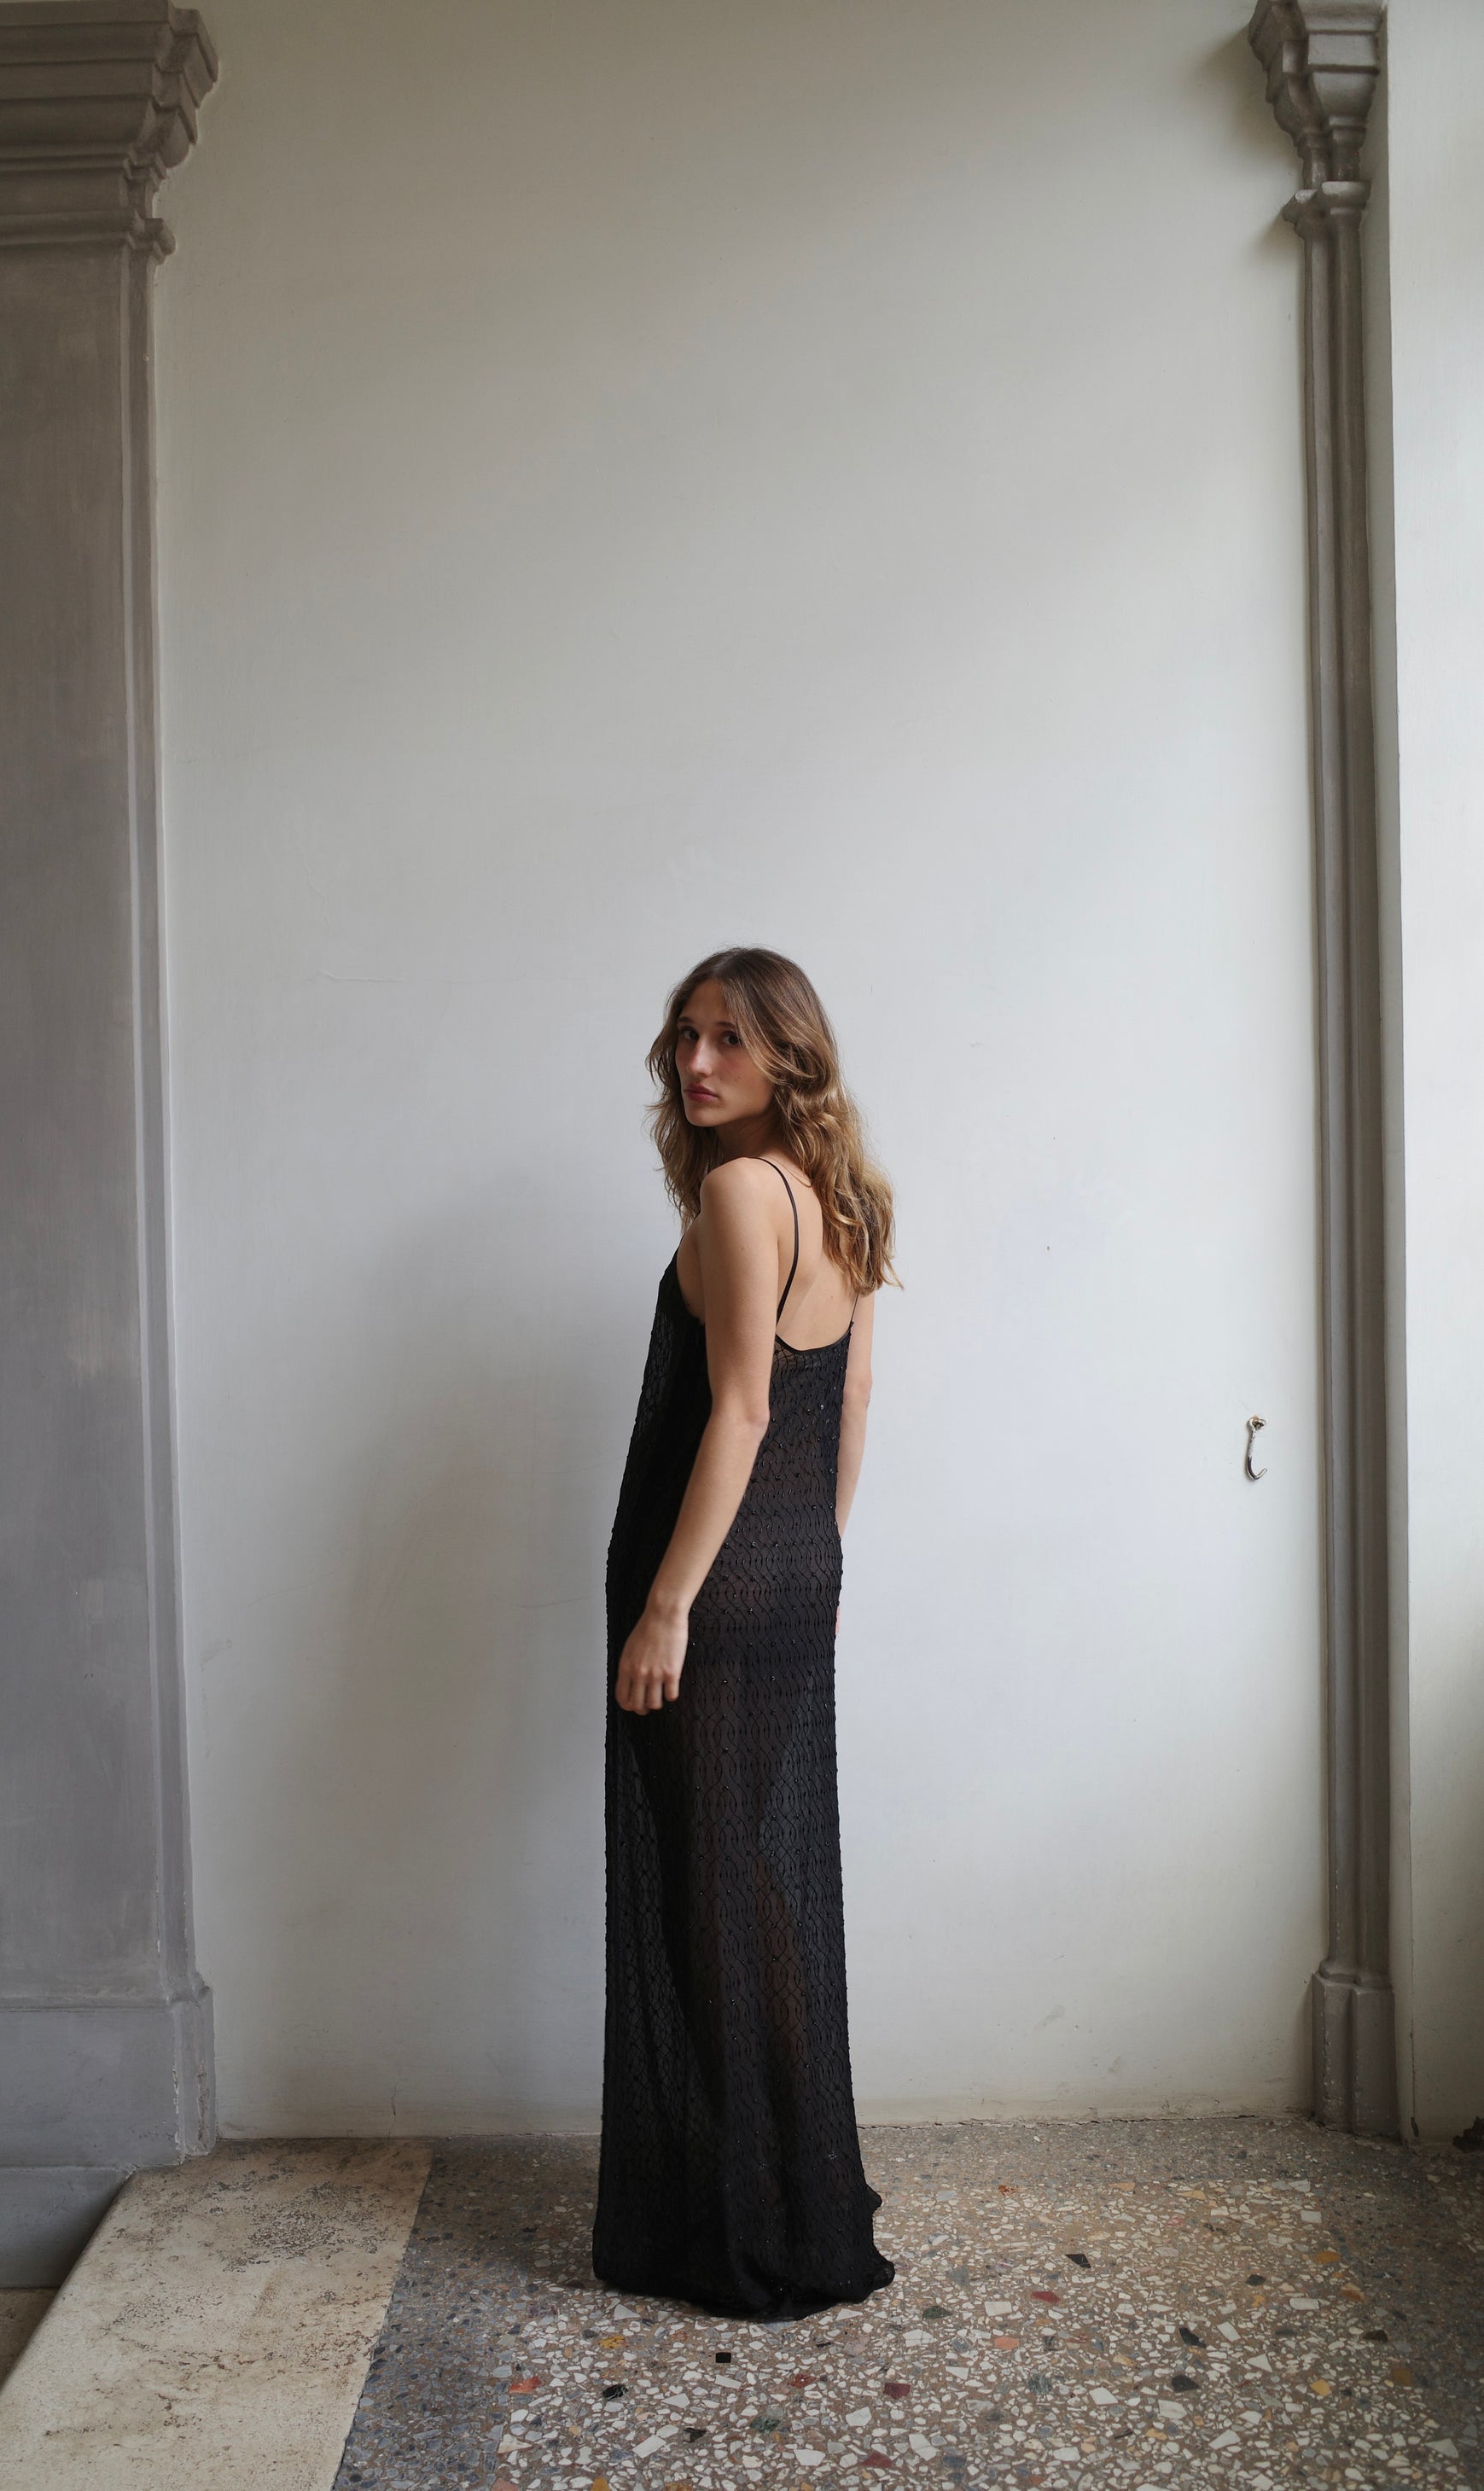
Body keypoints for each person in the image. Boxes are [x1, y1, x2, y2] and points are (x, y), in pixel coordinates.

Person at [592, 946, 898, 2320]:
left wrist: (668, 1604)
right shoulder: (838, 1197)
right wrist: (805, 1557)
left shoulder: (736, 1193)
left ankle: (767, 2198)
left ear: (788, 1054)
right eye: (685, 1036)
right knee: (748, 1876)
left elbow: (744, 1409)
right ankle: (801, 2169)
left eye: (728, 1038)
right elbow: (850, 1408)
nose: (696, 1062)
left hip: (710, 1591)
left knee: (709, 1888)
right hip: (789, 1575)